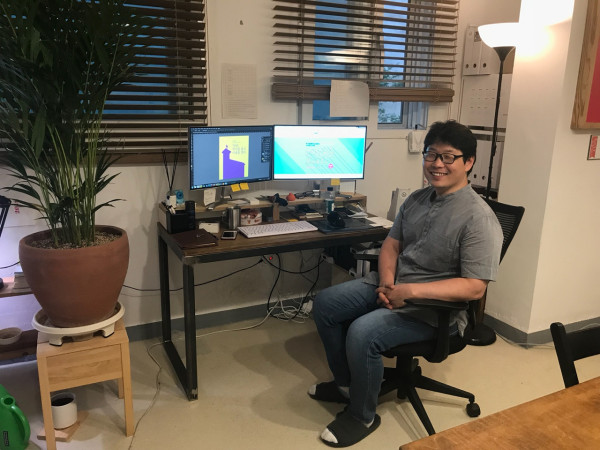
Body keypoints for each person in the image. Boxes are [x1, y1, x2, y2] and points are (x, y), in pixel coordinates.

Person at [309, 120, 503, 447]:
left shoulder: (478, 218)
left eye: (448, 157)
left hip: (433, 310)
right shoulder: (417, 199)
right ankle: (347, 385)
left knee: (363, 331)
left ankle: (362, 415)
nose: (437, 164)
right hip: (395, 285)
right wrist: (387, 284)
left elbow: (474, 287)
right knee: (326, 304)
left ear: (469, 162)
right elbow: (391, 245)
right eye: (431, 154)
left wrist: (408, 292)